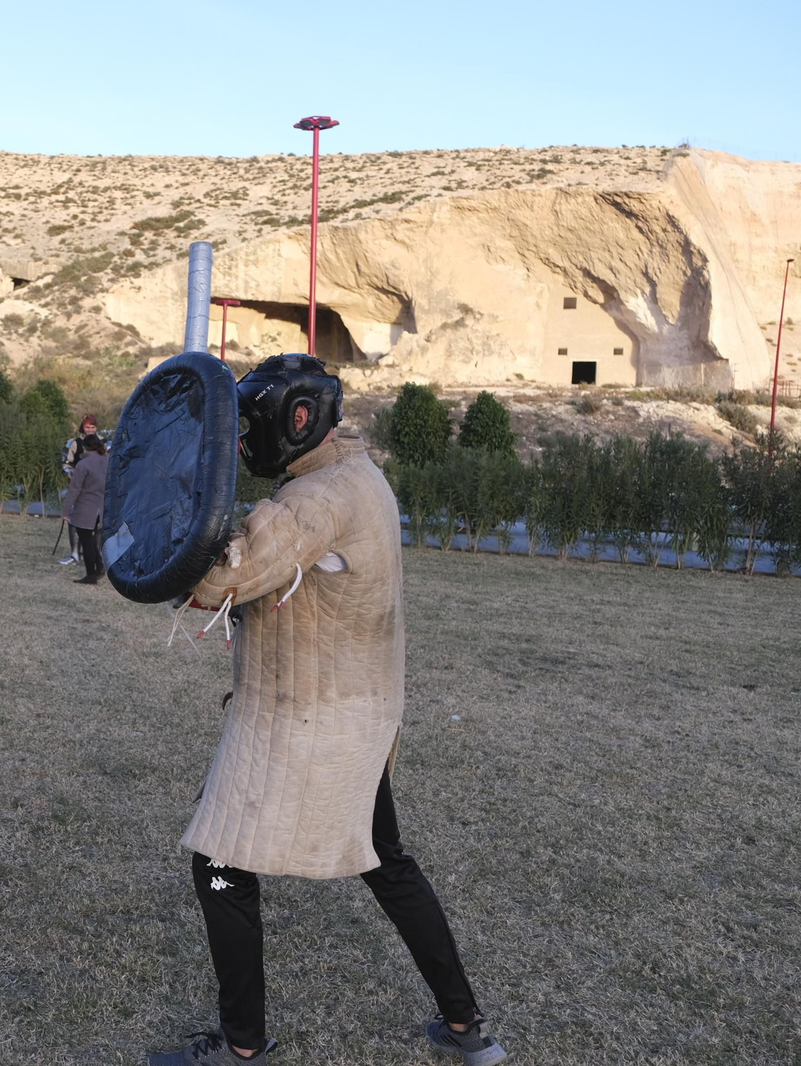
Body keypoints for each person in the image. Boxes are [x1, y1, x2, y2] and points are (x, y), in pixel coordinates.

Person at [148, 355, 505, 1066]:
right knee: (388, 862)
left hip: (309, 722)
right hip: (359, 716)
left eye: (255, 423)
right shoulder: (359, 478)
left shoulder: (316, 501)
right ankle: (467, 1026)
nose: (249, 436)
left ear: (298, 418)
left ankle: (244, 1045)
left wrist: (178, 503)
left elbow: (219, 578)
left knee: (219, 861)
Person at [59, 433, 107, 585]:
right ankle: (99, 566)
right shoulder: (108, 461)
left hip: (85, 507)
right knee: (91, 540)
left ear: (85, 447)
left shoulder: (83, 465)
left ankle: (91, 575)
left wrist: (66, 511)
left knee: (86, 541)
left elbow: (74, 490)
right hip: (102, 507)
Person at [58, 414, 100, 565]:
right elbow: (65, 463)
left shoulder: (103, 443)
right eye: (87, 427)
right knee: (73, 519)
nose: (90, 430)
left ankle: (94, 555)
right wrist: (72, 474)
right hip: (79, 485)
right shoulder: (74, 443)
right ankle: (75, 553)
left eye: (93, 427)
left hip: (97, 488)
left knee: (97, 522)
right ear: (83, 427)